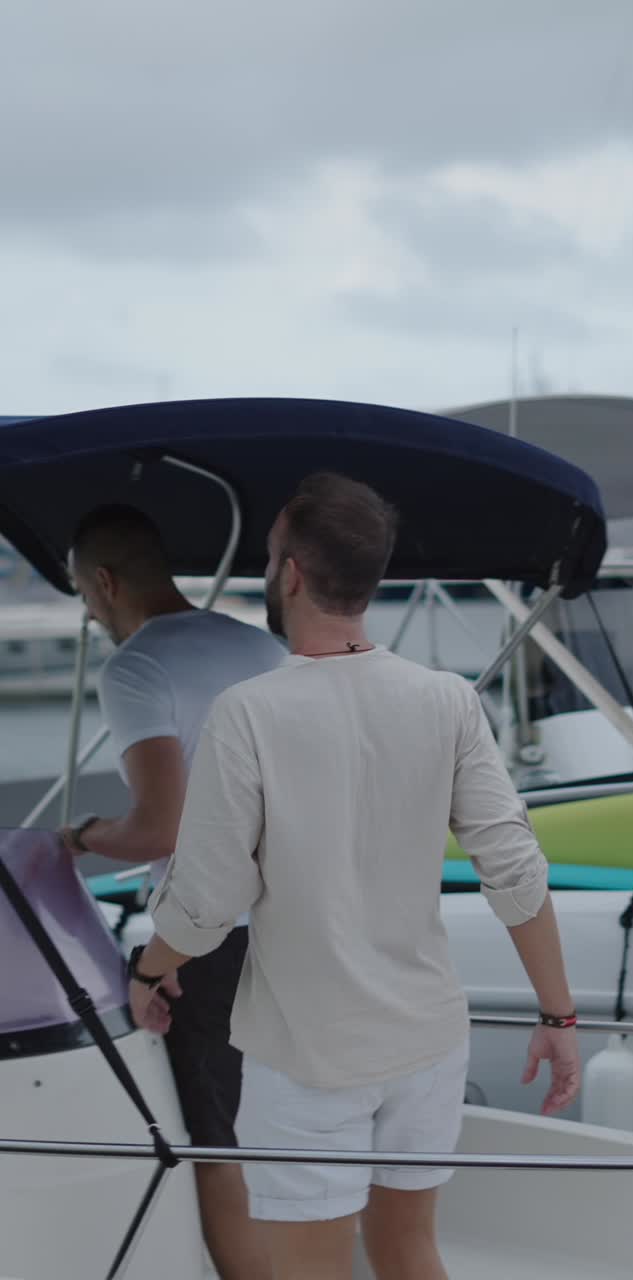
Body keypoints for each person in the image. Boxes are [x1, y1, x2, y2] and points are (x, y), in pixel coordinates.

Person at [129, 472, 581, 1280]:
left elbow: (204, 905)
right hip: (427, 1039)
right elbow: (514, 868)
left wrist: (150, 970)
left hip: (310, 1052)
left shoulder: (251, 712)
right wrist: (559, 1017)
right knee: (411, 1253)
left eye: (270, 558)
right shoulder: (446, 699)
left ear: (291, 573)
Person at [60, 503, 284, 1280]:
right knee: (302, 1135)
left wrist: (82, 836)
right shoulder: (262, 646)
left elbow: (160, 828)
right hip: (306, 925)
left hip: (214, 938)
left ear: (105, 582)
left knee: (218, 1149)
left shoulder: (138, 668)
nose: (93, 615)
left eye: (86, 600)